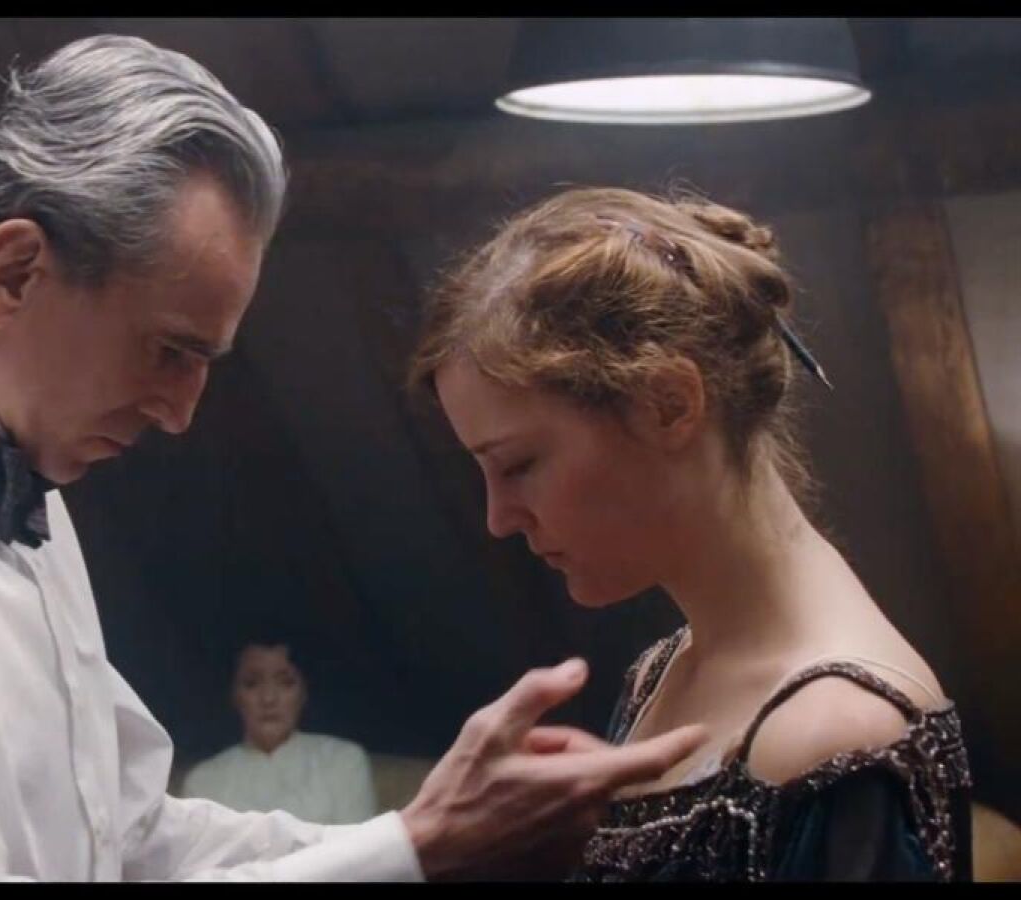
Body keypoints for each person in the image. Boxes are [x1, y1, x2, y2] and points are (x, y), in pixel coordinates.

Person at [0, 37, 705, 881]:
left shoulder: (14, 469)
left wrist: (423, 834)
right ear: (16, 271)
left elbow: (126, 840)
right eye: (170, 351)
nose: (181, 412)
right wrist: (410, 850)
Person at [409, 186, 974, 881]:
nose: (499, 518)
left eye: (519, 464)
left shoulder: (836, 735)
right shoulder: (662, 671)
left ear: (669, 404)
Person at [181, 639, 377, 824]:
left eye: (286, 683)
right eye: (251, 684)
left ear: (304, 692)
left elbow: (359, 845)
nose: (268, 699)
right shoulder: (204, 782)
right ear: (234, 694)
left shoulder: (342, 762)